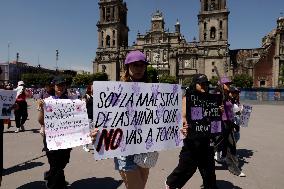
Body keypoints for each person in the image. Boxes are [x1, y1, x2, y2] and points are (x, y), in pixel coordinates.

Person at [91, 50, 153, 189]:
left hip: (145, 150)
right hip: (123, 149)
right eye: (135, 65)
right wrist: (96, 131)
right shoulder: (114, 91)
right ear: (127, 67)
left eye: (142, 65)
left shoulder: (153, 91)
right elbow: (105, 117)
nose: (138, 68)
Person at [166, 74, 219, 189]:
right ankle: (171, 184)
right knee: (187, 167)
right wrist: (183, 124)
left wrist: (218, 111)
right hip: (192, 140)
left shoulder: (210, 99)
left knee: (209, 170)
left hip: (206, 140)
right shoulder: (189, 98)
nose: (204, 86)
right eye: (201, 83)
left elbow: (211, 118)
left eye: (206, 83)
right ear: (194, 84)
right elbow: (183, 116)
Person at [38, 76, 72, 189]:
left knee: (63, 162)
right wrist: (42, 109)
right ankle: (54, 185)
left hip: (66, 138)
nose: (61, 87)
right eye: (59, 85)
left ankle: (50, 176)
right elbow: (40, 121)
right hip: (51, 137)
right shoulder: (48, 101)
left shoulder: (70, 100)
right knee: (55, 163)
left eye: (63, 85)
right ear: (54, 86)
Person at [214, 76, 245, 177]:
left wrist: (234, 124)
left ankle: (235, 169)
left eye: (229, 84)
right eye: (227, 84)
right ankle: (200, 161)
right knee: (214, 146)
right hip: (221, 124)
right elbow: (214, 110)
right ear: (221, 85)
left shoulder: (227, 96)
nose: (229, 85)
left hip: (229, 124)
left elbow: (231, 111)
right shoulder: (218, 95)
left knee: (231, 147)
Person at [82, 84, 94, 152]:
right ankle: (85, 145)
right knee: (88, 132)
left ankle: (94, 144)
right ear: (90, 88)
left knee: (94, 132)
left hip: (94, 117)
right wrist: (85, 100)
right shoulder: (86, 96)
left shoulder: (96, 96)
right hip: (88, 117)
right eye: (93, 87)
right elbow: (82, 105)